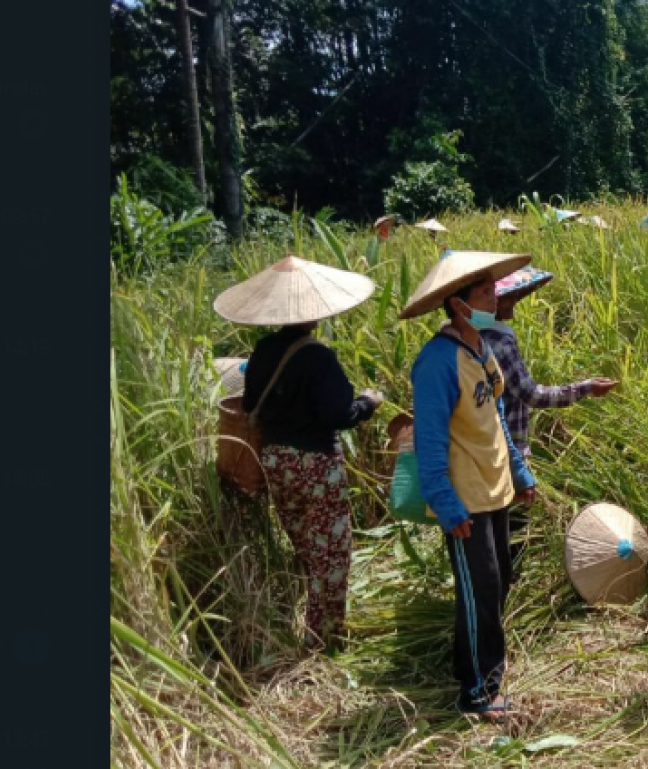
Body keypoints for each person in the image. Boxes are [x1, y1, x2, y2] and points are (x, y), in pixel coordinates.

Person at [220, 256, 385, 654]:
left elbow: (252, 401)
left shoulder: (262, 351)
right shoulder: (319, 358)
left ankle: (313, 625)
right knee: (332, 553)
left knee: (305, 546)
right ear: (317, 311)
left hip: (277, 461)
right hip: (315, 465)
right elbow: (338, 415)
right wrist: (368, 402)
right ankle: (323, 639)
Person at [400, 250, 538, 724]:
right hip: (466, 499)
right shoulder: (437, 362)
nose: (494, 296)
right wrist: (445, 502)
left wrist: (519, 475)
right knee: (480, 590)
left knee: (497, 584)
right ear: (458, 305)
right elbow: (430, 438)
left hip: (495, 488)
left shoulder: (478, 348)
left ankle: (477, 664)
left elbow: (496, 417)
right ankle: (477, 690)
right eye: (483, 292)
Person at [479, 264, 619, 575]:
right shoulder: (499, 342)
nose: (513, 302)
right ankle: (509, 595)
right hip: (507, 450)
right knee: (512, 533)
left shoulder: (465, 338)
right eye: (507, 297)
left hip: (477, 452)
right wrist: (585, 389)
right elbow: (532, 395)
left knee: (486, 531)